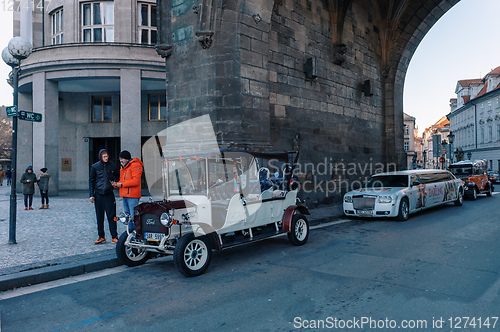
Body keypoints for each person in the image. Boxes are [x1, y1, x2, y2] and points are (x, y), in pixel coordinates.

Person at [89, 149, 119, 244]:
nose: (106, 158)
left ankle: (114, 236)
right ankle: (101, 236)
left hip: (109, 194)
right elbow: (91, 181)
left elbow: (118, 177)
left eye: (107, 156)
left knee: (112, 216)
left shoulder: (112, 165)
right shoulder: (95, 166)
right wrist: (91, 195)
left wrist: (114, 183)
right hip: (98, 194)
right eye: (104, 156)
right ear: (100, 157)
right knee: (99, 216)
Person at [111, 150, 144, 217]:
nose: (120, 161)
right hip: (125, 195)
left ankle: (134, 227)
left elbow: (135, 181)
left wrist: (121, 184)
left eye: (121, 159)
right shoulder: (123, 167)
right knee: (127, 216)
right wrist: (116, 185)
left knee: (133, 216)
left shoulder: (135, 165)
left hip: (132, 196)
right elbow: (122, 180)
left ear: (126, 158)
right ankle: (130, 228)